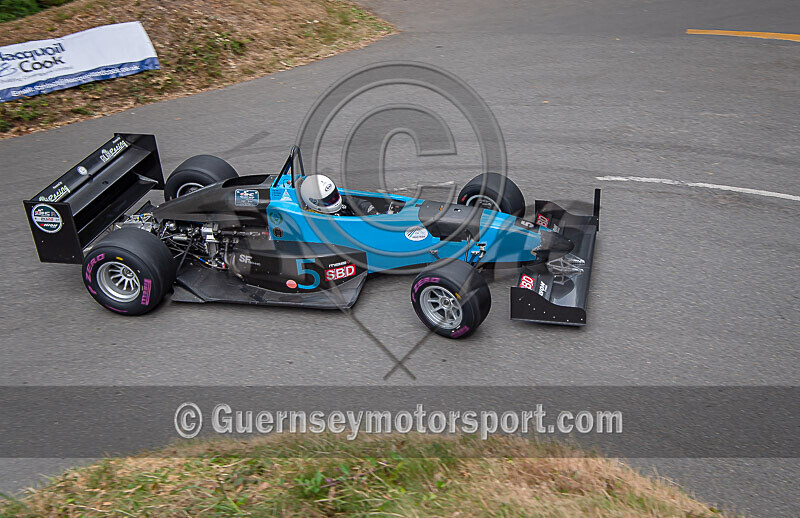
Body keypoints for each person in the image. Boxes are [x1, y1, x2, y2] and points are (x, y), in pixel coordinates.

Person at [299, 174, 378, 216]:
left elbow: (353, 201)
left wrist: (373, 213)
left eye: (335, 195)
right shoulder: (312, 217)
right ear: (314, 202)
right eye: (329, 200)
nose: (334, 200)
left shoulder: (340, 203)